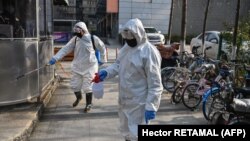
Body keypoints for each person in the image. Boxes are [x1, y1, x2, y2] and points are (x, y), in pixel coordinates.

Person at [92, 18, 163, 141]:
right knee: (126, 132)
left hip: (139, 103)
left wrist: (151, 105)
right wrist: (106, 72)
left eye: (131, 38)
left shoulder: (149, 52)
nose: (129, 41)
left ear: (139, 34)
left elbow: (155, 84)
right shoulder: (126, 48)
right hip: (124, 100)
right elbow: (118, 65)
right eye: (127, 39)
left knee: (137, 135)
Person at [48, 21, 107, 113]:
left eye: (78, 31)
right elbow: (65, 49)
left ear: (83, 30)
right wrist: (55, 58)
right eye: (75, 31)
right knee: (75, 86)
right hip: (77, 67)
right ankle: (79, 98)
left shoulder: (93, 38)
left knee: (87, 87)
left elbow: (102, 47)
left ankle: (88, 104)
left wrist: (103, 59)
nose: (76, 34)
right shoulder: (75, 39)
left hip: (90, 66)